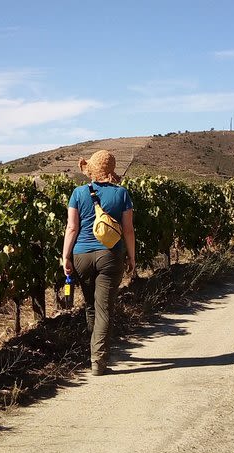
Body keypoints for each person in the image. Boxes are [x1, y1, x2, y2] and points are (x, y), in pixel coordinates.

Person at [62, 150, 135, 375]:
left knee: (91, 306)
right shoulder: (122, 194)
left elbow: (72, 228)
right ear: (111, 171)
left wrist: (65, 256)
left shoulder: (78, 193)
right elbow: (128, 230)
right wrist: (132, 257)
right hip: (110, 256)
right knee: (104, 309)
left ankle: (95, 351)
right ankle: (99, 361)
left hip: (81, 255)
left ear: (91, 170)